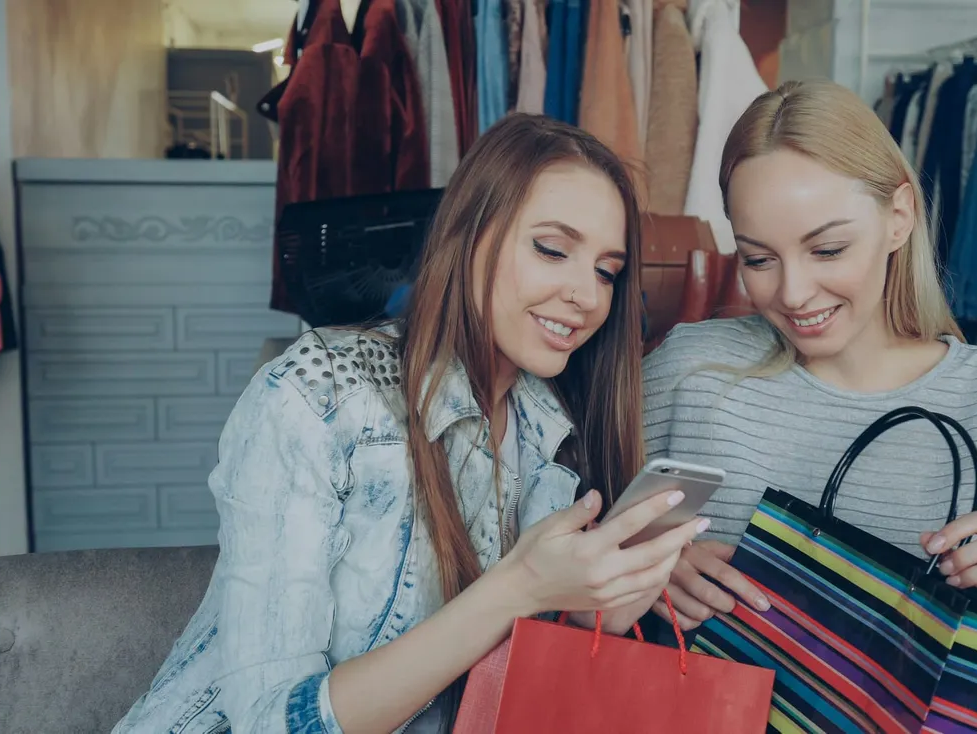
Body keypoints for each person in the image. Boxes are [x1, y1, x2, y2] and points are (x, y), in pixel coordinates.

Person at [114, 114, 707, 734]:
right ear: (468, 233)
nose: (586, 295)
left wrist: (600, 604)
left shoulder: (554, 431)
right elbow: (272, 722)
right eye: (552, 250)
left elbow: (507, 682)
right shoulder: (320, 395)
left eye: (606, 272)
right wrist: (520, 588)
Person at [642, 80, 977, 734]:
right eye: (759, 258)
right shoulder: (689, 376)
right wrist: (648, 573)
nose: (794, 293)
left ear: (899, 217)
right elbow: (575, 550)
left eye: (827, 249)